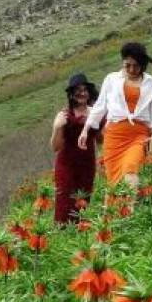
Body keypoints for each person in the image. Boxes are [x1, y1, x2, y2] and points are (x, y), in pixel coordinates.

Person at [79, 42, 152, 191]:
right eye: (127, 65)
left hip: (138, 134)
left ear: (142, 64)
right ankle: (115, 213)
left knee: (131, 169)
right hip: (114, 136)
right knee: (114, 182)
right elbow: (100, 107)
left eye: (135, 65)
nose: (131, 69)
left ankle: (128, 210)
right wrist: (85, 130)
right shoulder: (111, 79)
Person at [52, 73, 101, 224]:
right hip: (67, 165)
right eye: (78, 90)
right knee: (65, 202)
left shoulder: (95, 113)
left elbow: (101, 140)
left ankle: (80, 233)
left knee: (84, 200)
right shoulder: (64, 115)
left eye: (85, 89)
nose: (82, 93)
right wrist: (57, 127)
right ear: (72, 94)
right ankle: (62, 235)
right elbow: (55, 146)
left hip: (87, 164)